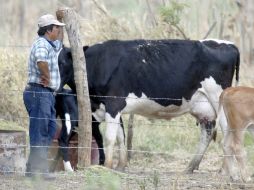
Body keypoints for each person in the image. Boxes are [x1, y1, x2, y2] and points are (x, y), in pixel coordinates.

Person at [23, 14, 65, 180]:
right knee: (40, 132)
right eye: (56, 28)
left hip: (44, 94)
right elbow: (41, 61)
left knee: (48, 130)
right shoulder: (42, 44)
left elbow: (58, 45)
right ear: (48, 30)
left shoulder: (50, 44)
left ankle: (32, 169)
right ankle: (39, 172)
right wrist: (46, 76)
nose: (59, 30)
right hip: (39, 92)